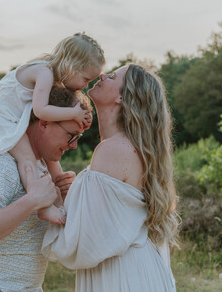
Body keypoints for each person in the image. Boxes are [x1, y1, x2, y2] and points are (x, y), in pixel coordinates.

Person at [42, 64, 180, 291]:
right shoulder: (128, 148)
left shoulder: (113, 150)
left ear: (122, 98)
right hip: (137, 271)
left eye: (113, 76)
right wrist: (75, 195)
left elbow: (84, 244)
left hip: (122, 277)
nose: (103, 75)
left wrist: (56, 202)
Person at [0, 87, 93, 291]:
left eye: (78, 138)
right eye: (71, 135)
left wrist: (64, 199)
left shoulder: (43, 167)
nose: (73, 146)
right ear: (44, 122)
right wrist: (32, 201)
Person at [0, 32, 105, 224]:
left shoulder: (52, 75)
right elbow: (41, 111)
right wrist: (74, 114)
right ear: (71, 66)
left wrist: (82, 117)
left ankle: (63, 189)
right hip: (3, 121)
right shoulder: (44, 72)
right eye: (86, 79)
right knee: (27, 159)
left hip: (15, 118)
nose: (86, 85)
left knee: (49, 160)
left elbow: (59, 104)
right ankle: (43, 207)